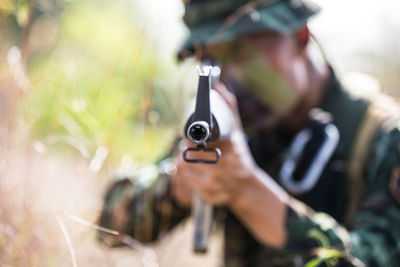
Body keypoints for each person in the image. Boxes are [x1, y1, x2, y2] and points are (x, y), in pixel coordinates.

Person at [98, 0, 400, 266]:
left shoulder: (383, 137)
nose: (229, 81)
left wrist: (248, 191)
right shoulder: (226, 129)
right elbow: (109, 226)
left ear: (300, 34)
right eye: (210, 62)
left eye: (244, 54)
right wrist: (177, 187)